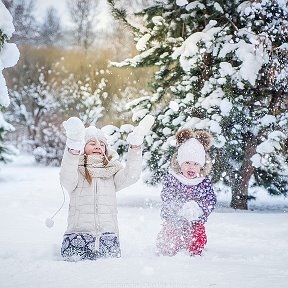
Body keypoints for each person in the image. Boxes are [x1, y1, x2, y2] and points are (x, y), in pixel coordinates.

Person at [59, 116, 153, 261]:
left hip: (108, 239)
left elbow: (131, 176)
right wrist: (73, 148)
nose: (98, 146)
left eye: (101, 144)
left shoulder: (111, 171)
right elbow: (66, 178)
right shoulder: (76, 170)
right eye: (92, 143)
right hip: (78, 237)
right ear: (82, 147)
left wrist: (135, 147)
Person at [156, 128, 217, 256]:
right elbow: (167, 196)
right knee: (170, 233)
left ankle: (194, 254)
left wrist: (198, 208)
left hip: (195, 220)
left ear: (201, 166)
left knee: (198, 235)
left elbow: (210, 200)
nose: (191, 167)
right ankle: (167, 251)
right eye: (187, 162)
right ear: (179, 163)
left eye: (195, 164)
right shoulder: (173, 179)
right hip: (174, 218)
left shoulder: (203, 182)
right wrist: (178, 207)